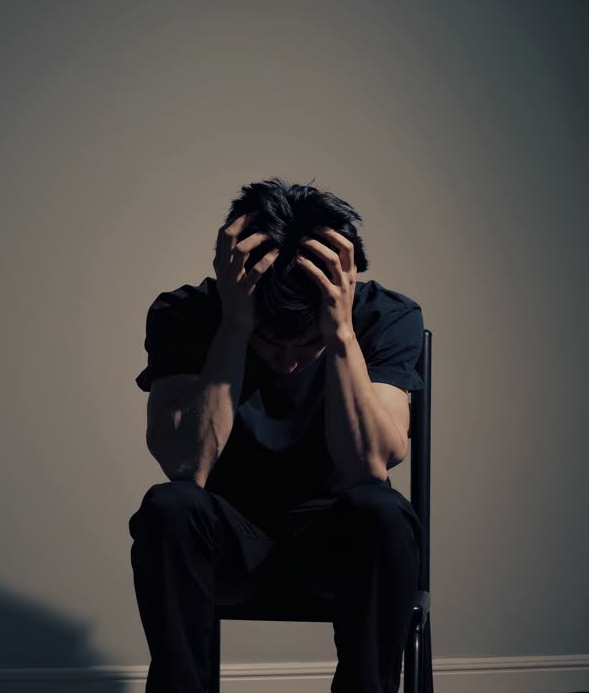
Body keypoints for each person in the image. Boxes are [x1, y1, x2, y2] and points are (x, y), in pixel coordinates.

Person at [129, 178, 426, 693]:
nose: (288, 359)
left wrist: (339, 336)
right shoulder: (185, 315)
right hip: (226, 544)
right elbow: (185, 465)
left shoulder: (385, 316)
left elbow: (371, 466)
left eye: (304, 343)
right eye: (271, 343)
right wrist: (235, 328)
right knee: (169, 506)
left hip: (337, 544)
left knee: (383, 510)